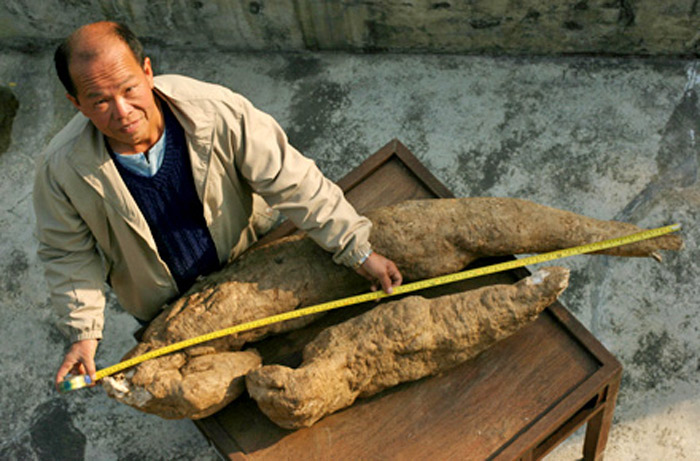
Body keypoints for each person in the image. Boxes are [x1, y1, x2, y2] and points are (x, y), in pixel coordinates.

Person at [33, 21, 402, 390]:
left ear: (148, 72)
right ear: (76, 104)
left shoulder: (214, 111)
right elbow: (67, 253)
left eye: (129, 89)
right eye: (99, 101)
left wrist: (356, 248)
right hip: (162, 304)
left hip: (246, 260)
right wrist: (84, 332)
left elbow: (292, 179)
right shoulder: (61, 169)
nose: (122, 110)